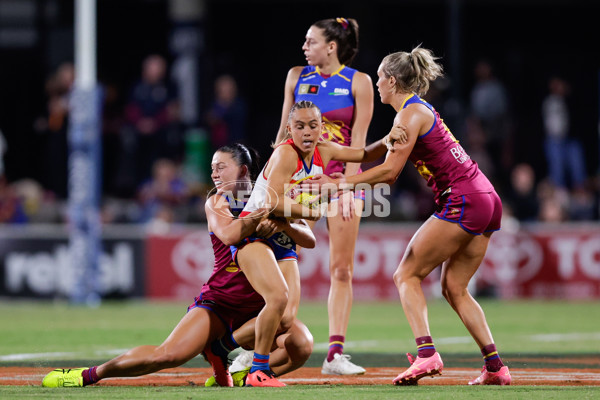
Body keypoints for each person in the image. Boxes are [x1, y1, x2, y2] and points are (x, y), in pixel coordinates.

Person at [304, 47, 512, 386]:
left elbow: (388, 172)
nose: (376, 84)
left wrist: (340, 183)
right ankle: (495, 367)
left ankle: (427, 354)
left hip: (463, 198)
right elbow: (374, 152)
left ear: (390, 80)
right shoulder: (413, 111)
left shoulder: (408, 116)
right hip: (485, 196)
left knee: (406, 275)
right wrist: (333, 151)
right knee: (454, 288)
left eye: (379, 79)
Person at [41, 143, 314, 389]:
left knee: (301, 344)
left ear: (243, 170)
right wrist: (261, 215)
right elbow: (231, 235)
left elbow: (308, 236)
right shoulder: (217, 202)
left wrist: (281, 221)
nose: (214, 174)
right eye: (212, 169)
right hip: (220, 304)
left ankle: (244, 372)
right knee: (168, 355)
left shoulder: (271, 196)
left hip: (258, 312)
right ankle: (88, 375)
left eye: (221, 167)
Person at [273, 17, 374, 376]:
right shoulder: (296, 76)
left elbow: (358, 143)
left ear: (331, 46)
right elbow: (282, 132)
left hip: (339, 183)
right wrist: (274, 180)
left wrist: (345, 187)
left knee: (342, 269)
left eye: (311, 41)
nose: (304, 46)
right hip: (300, 182)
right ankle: (258, 345)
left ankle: (335, 356)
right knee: (283, 263)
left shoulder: (359, 82)